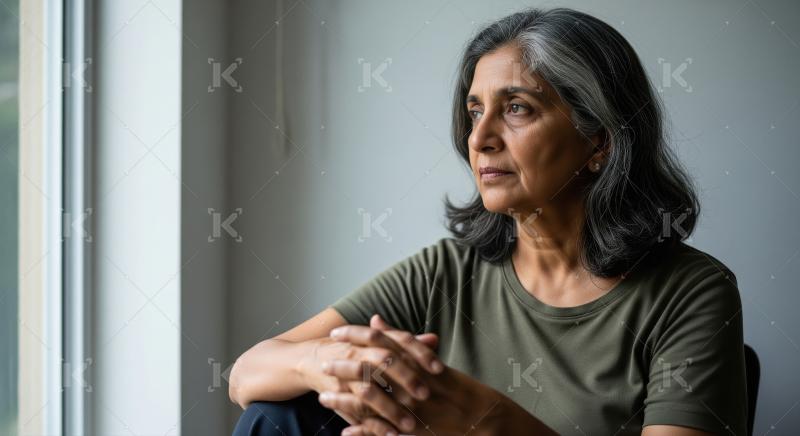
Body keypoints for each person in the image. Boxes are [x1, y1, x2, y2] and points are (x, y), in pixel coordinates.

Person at [230, 7, 748, 436]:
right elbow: (246, 372)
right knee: (278, 416)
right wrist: (321, 362)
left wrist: (489, 421)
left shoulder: (691, 291)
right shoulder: (445, 272)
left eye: (517, 108)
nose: (479, 139)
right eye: (475, 111)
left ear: (600, 140)